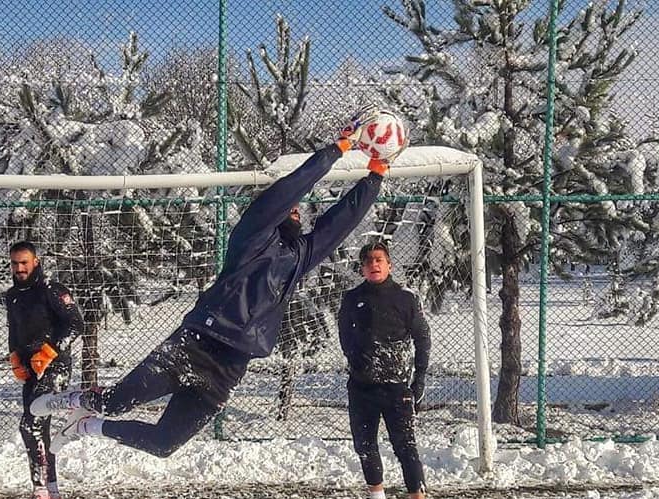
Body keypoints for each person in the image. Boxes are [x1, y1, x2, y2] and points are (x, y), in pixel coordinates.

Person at [31, 108, 405, 457]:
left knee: (164, 444)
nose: (293, 208)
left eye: (297, 208)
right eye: (287, 205)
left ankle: (86, 428)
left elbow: (343, 220)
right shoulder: (251, 234)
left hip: (231, 366)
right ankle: (72, 402)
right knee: (114, 401)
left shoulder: (299, 257)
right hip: (195, 344)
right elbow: (290, 188)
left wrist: (375, 174)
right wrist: (337, 149)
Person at [337, 240, 435, 499]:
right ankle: (376, 498)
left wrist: (420, 378)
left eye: (379, 259)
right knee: (364, 445)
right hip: (361, 386)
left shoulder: (405, 299)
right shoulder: (352, 298)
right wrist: (355, 357)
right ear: (362, 268)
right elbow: (344, 334)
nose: (373, 264)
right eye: (368, 261)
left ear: (389, 264)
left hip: (396, 388)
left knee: (406, 448)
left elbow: (422, 338)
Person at [6, 240, 84, 499]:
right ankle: (52, 493)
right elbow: (13, 330)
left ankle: (40, 495)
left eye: (24, 262)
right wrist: (15, 357)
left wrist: (50, 352)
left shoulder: (52, 290)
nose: (19, 268)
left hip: (55, 369)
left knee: (30, 427)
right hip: (30, 371)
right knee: (40, 431)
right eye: (15, 263)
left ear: (36, 261)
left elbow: (76, 324)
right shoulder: (13, 295)